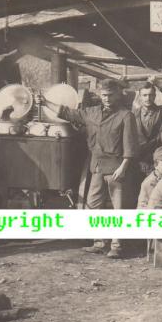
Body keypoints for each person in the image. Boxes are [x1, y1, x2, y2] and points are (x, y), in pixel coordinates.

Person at [35, 78, 138, 259]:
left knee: (119, 209)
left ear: (117, 95)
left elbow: (130, 145)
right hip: (97, 166)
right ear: (99, 95)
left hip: (116, 168)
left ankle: (117, 245)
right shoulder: (91, 113)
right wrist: (44, 101)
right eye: (104, 95)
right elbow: (66, 113)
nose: (107, 98)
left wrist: (123, 167)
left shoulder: (125, 115)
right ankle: (99, 242)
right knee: (93, 205)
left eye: (110, 95)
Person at [133, 78, 162, 177]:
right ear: (140, 97)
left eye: (151, 95)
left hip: (155, 159)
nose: (148, 98)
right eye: (145, 95)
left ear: (155, 96)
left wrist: (158, 83)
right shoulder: (133, 114)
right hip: (138, 160)